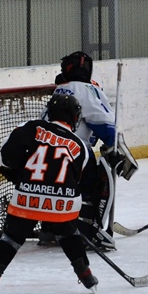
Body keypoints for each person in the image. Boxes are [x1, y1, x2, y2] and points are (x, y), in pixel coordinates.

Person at [0, 94, 98, 294]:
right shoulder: (80, 145)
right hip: (63, 202)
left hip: (27, 198)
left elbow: (7, 157)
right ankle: (87, 277)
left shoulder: (32, 127)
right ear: (74, 117)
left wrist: (18, 176)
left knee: (12, 236)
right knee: (69, 234)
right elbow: (79, 180)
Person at [40, 51, 137, 252]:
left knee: (57, 188)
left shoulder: (59, 90)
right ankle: (86, 231)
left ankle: (50, 228)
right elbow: (104, 124)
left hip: (44, 155)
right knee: (95, 183)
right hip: (73, 152)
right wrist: (115, 148)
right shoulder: (85, 89)